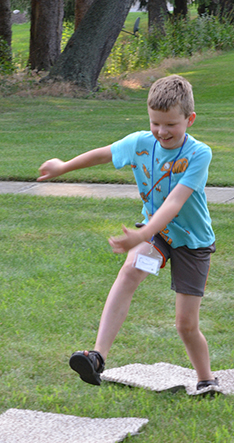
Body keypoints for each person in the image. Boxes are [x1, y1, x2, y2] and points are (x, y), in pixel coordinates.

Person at [37, 75, 218, 391]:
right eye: (155, 123)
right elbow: (104, 154)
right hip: (158, 239)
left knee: (185, 325)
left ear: (189, 119)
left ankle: (206, 378)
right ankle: (97, 357)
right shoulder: (140, 143)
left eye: (171, 125)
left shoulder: (199, 154)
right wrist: (63, 167)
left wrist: (141, 233)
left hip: (191, 243)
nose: (162, 132)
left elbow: (175, 203)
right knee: (130, 272)